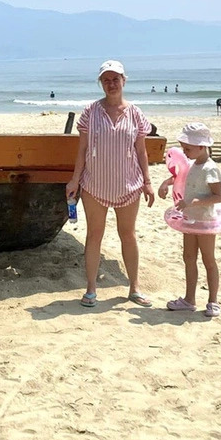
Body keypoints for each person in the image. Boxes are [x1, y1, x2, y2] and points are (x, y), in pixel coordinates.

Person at [66, 60, 155, 308]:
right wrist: (75, 179)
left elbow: (141, 151)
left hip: (129, 185)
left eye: (116, 79)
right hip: (94, 185)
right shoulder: (90, 112)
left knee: (128, 234)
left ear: (124, 81)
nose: (111, 84)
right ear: (100, 83)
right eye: (106, 79)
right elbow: (82, 149)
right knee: (94, 235)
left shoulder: (135, 113)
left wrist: (147, 182)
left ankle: (135, 287)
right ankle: (91, 289)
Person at [158, 123, 221, 318]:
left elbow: (218, 196)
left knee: (208, 259)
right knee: (188, 257)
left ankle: (213, 301)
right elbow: (180, 177)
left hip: (204, 220)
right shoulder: (192, 165)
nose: (184, 152)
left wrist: (195, 202)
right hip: (189, 220)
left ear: (201, 146)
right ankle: (189, 299)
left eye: (187, 148)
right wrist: (165, 183)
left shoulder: (210, 168)